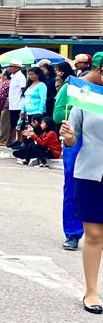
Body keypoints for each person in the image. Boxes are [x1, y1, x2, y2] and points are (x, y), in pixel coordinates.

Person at [61, 98, 103, 314]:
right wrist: (68, 137)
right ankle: (91, 291)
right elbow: (71, 139)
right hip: (91, 172)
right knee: (94, 234)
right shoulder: (87, 99)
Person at [55, 60, 92, 250]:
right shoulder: (77, 90)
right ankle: (73, 233)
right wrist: (69, 133)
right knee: (73, 186)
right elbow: (58, 114)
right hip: (78, 141)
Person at [7, 63, 28, 135]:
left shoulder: (20, 76)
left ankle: (20, 139)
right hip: (12, 104)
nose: (9, 68)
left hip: (18, 104)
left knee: (20, 124)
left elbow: (23, 90)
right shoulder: (13, 76)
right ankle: (17, 139)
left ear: (17, 68)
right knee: (14, 124)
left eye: (11, 66)